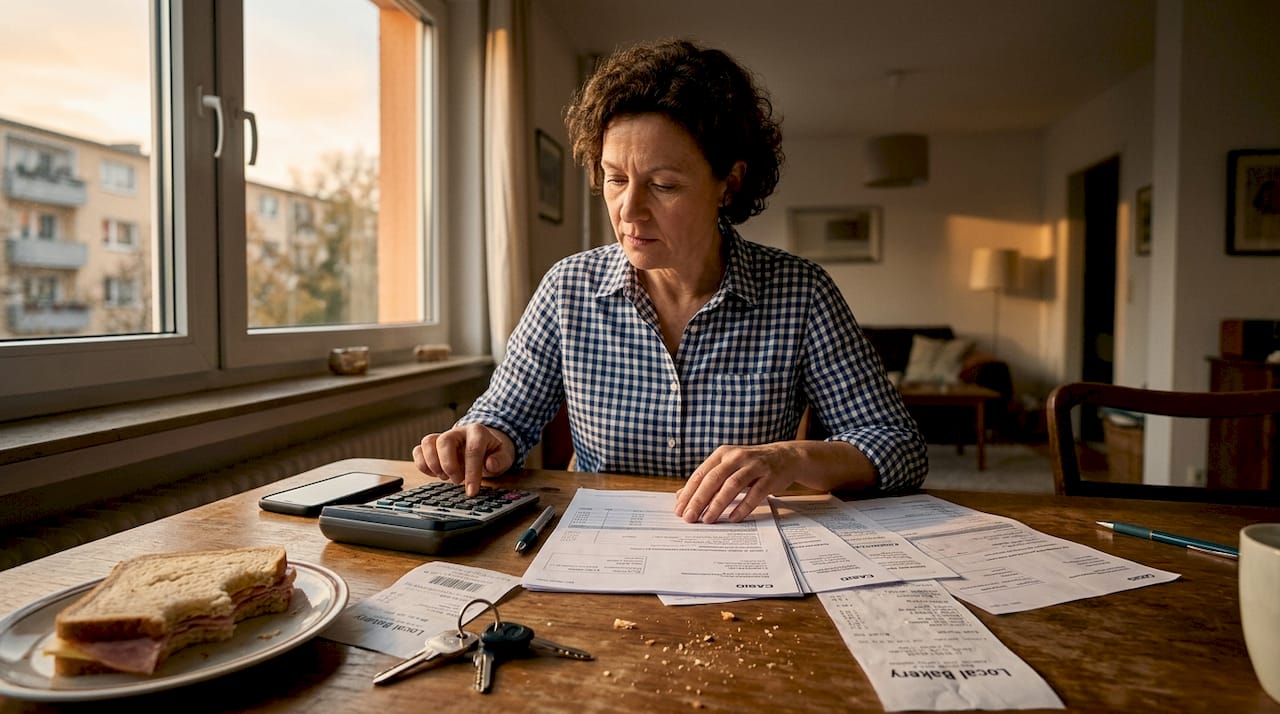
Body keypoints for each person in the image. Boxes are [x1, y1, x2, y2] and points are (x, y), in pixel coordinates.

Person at [414, 39, 927, 523]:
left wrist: (789, 458)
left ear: (729, 183)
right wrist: (482, 439)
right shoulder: (568, 289)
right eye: (616, 179)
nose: (629, 210)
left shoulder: (801, 292)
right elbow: (504, 417)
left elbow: (898, 445)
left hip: (740, 549)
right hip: (601, 546)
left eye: (663, 185)